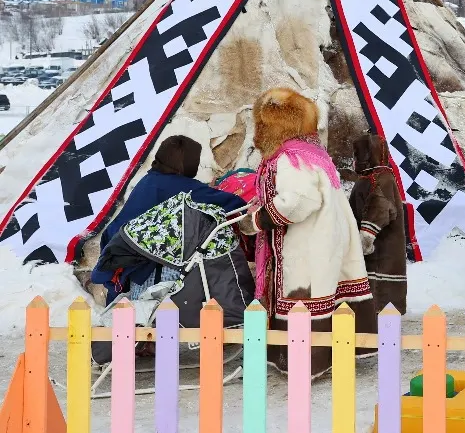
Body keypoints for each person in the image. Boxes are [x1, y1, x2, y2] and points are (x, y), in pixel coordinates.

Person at [236, 87, 371, 376]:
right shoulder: (310, 153)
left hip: (307, 244)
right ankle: (329, 354)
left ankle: (308, 361)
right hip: (323, 239)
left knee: (304, 300)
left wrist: (258, 220)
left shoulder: (289, 158)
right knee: (327, 294)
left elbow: (299, 200)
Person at [91, 135, 247, 303]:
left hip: (129, 270)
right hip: (152, 273)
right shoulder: (182, 187)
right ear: (185, 162)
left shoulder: (149, 181)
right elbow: (233, 204)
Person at [349, 133, 408, 314]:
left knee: (380, 300)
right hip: (374, 251)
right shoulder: (370, 178)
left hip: (381, 251)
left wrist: (364, 240)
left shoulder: (381, 178)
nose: (354, 160)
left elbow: (380, 209)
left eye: (356, 154)